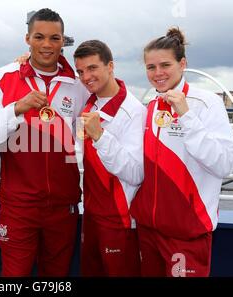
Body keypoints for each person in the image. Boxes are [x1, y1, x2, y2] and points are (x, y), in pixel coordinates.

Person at [0, 8, 89, 276]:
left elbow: (86, 138)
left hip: (64, 205)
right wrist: (16, 108)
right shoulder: (3, 77)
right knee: (14, 277)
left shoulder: (78, 84)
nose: (47, 45)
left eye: (54, 38)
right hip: (19, 204)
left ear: (64, 41)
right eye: (39, 37)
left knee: (57, 276)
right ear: (27, 39)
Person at [129, 27, 233, 277]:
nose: (158, 73)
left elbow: (223, 164)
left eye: (165, 65)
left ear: (182, 63)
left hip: (186, 232)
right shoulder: (152, 105)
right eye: (150, 67)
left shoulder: (205, 103)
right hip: (149, 229)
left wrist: (186, 115)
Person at [73, 40, 145, 276]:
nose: (86, 77)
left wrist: (100, 136)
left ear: (110, 66)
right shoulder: (89, 102)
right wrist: (27, 60)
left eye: (92, 68)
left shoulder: (134, 111)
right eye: (80, 71)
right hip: (92, 213)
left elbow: (136, 173)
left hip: (119, 219)